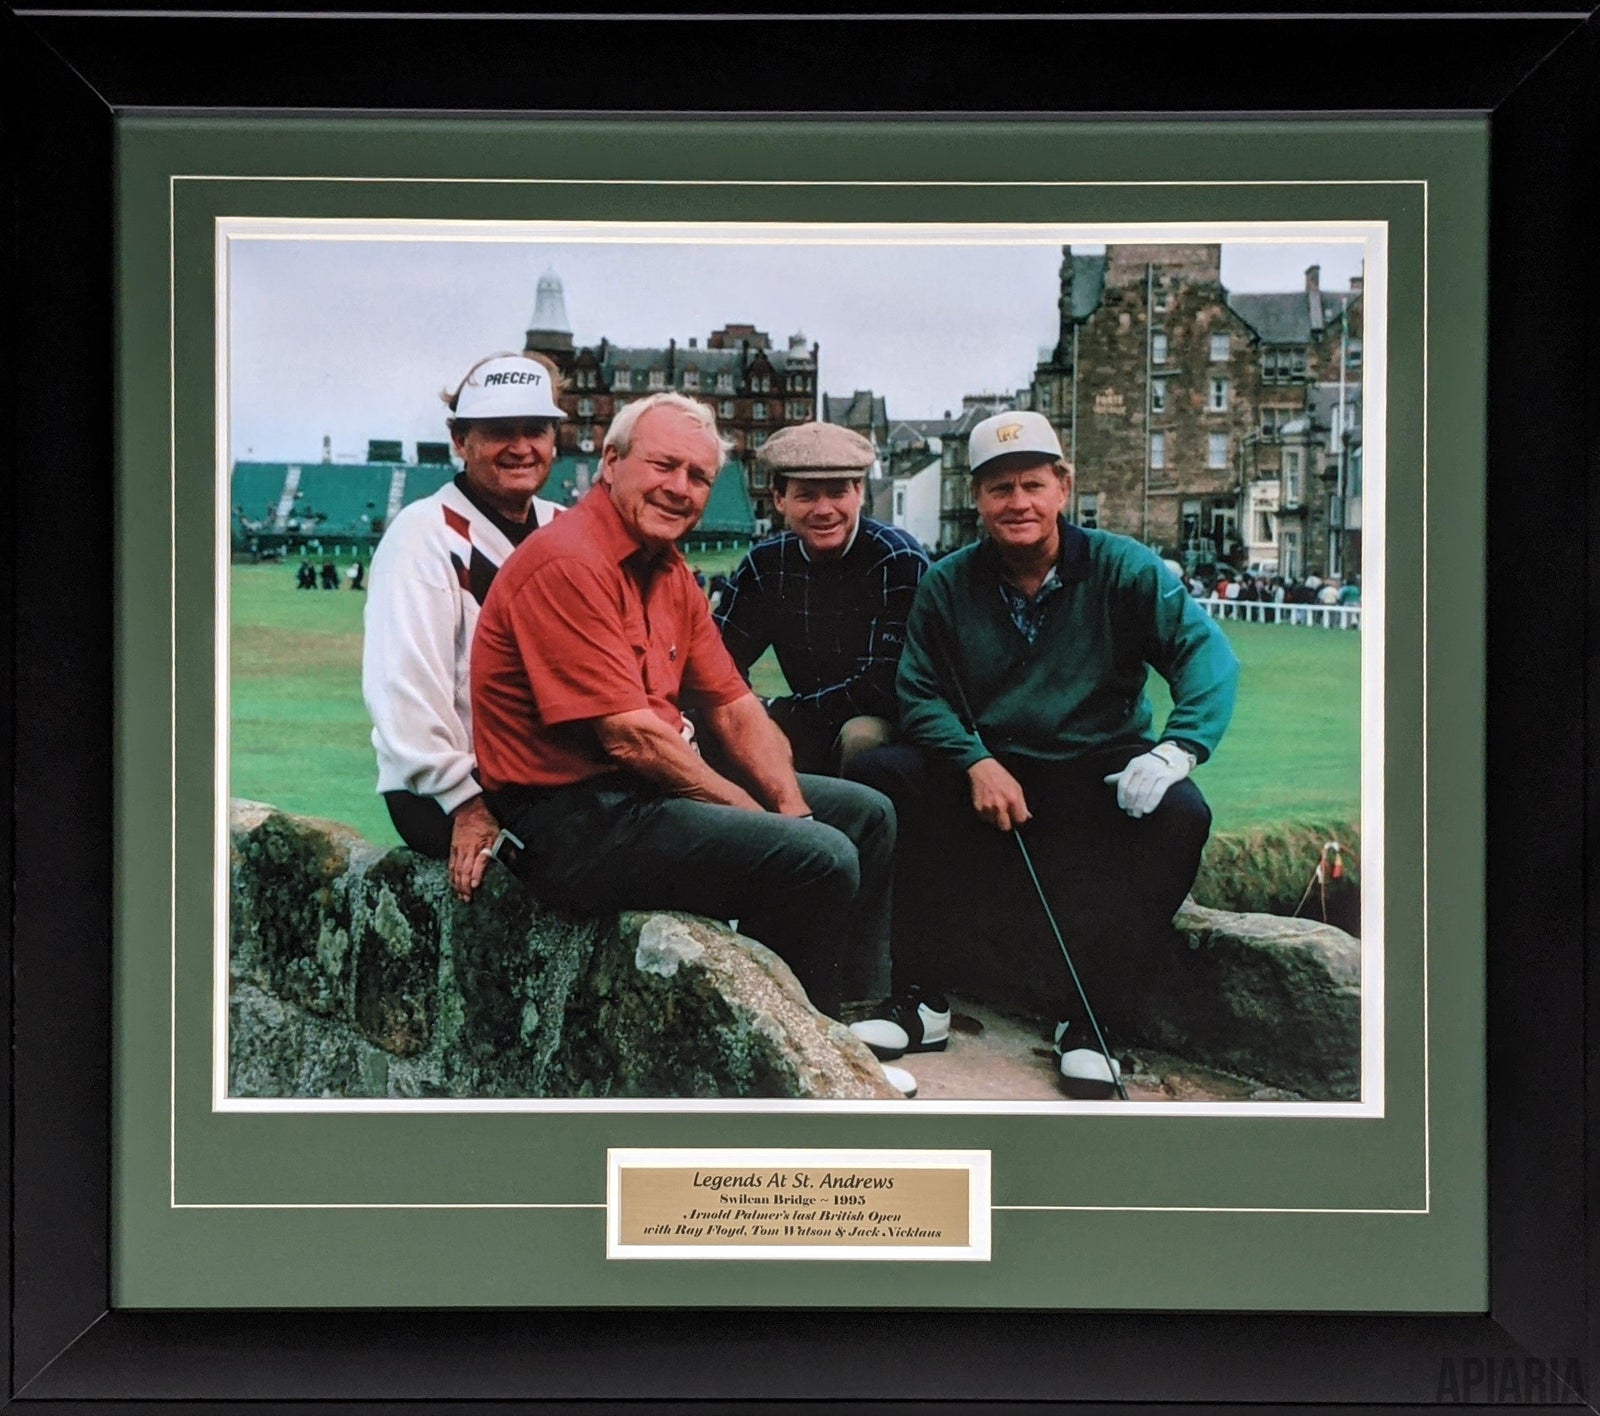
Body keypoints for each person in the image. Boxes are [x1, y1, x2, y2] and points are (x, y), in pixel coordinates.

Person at [468, 392, 915, 1095]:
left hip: (638, 796)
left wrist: (788, 809)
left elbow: (735, 708)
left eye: (698, 477)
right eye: (663, 465)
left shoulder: (668, 569)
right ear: (610, 463)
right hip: (574, 823)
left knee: (861, 816)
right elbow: (632, 739)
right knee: (817, 857)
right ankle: (802, 1065)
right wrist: (758, 816)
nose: (680, 488)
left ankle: (834, 1027)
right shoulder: (568, 562)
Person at [849, 411, 1240, 1096]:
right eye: (1000, 489)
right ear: (978, 500)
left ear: (1063, 487)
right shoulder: (947, 582)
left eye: (1033, 484)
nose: (1018, 503)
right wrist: (974, 761)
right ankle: (922, 1000)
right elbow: (920, 692)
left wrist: (1180, 748)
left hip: (1098, 764)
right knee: (887, 774)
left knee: (1181, 815)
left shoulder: (1124, 569)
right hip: (993, 770)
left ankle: (1091, 1020)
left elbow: (1204, 656)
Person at [362, 352, 565, 899]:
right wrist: (464, 802)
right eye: (499, 431)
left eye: (535, 429)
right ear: (460, 439)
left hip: (541, 774)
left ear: (555, 439)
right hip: (449, 793)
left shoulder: (563, 527)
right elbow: (402, 688)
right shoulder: (422, 533)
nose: (521, 447)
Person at [715, 422, 929, 777]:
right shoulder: (766, 564)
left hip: (882, 721)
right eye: (806, 495)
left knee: (860, 737)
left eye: (837, 492)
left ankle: (859, 831)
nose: (824, 509)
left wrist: (779, 712)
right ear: (780, 499)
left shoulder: (897, 559)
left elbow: (881, 684)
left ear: (859, 492)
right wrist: (749, 711)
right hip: (805, 713)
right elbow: (719, 655)